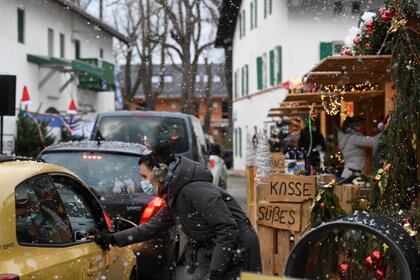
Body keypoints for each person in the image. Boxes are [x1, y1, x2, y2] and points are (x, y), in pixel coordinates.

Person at [94, 140, 262, 280]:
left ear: (159, 172)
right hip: (216, 249)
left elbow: (227, 227)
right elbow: (149, 228)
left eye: (144, 176)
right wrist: (112, 239)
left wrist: (217, 270)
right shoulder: (174, 196)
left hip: (238, 248)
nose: (142, 182)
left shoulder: (193, 189)